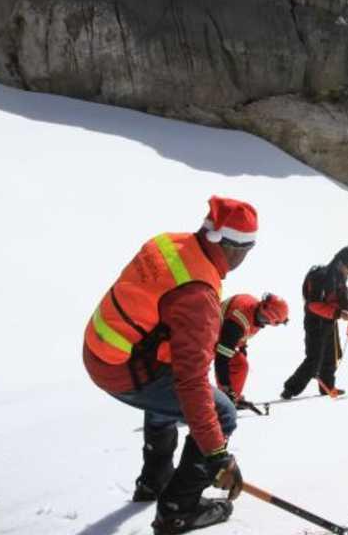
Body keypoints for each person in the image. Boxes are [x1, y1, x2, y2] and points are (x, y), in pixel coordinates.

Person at [82, 196, 258, 534]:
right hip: (121, 367)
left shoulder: (169, 243)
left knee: (166, 382)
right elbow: (191, 384)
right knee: (222, 414)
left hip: (101, 347)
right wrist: (217, 453)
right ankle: (177, 510)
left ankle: (154, 480)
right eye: (248, 251)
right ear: (235, 249)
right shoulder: (198, 296)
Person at [281, 246, 348, 400]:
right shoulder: (320, 276)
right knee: (314, 360)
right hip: (315, 322)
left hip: (329, 321)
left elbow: (343, 297)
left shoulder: (339, 277)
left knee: (331, 357)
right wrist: (339, 313)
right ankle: (289, 390)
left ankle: (327, 388)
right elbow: (313, 305)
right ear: (340, 262)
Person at [215, 293, 289, 407]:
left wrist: (242, 346)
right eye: (265, 319)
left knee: (240, 364)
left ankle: (231, 399)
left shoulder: (256, 311)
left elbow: (245, 329)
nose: (264, 323)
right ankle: (223, 402)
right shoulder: (238, 320)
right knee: (197, 371)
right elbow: (221, 358)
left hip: (222, 333)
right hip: (206, 335)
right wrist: (226, 386)